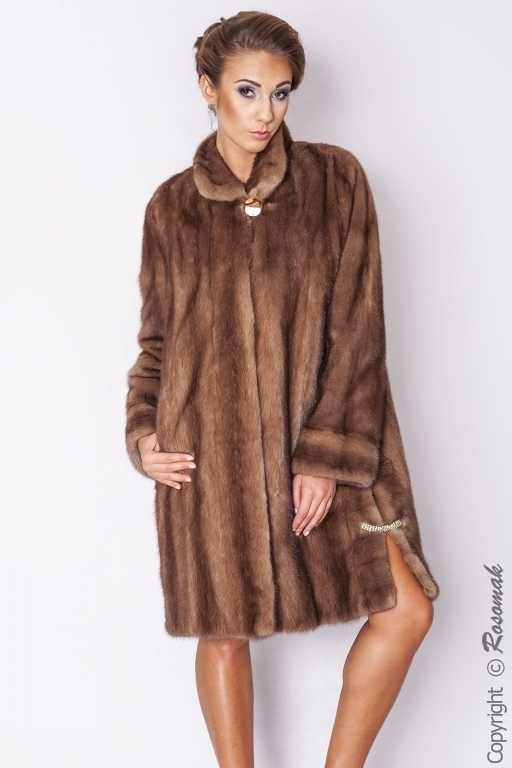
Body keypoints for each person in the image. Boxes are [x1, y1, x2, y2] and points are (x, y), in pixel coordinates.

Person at [125, 11, 440, 767]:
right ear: (208, 89)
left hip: (322, 445)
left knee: (406, 613)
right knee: (223, 632)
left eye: (281, 92)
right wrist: (141, 434)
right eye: (246, 90)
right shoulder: (171, 208)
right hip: (209, 459)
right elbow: (157, 344)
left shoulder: (336, 181)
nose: (266, 111)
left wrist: (325, 457)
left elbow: (359, 331)